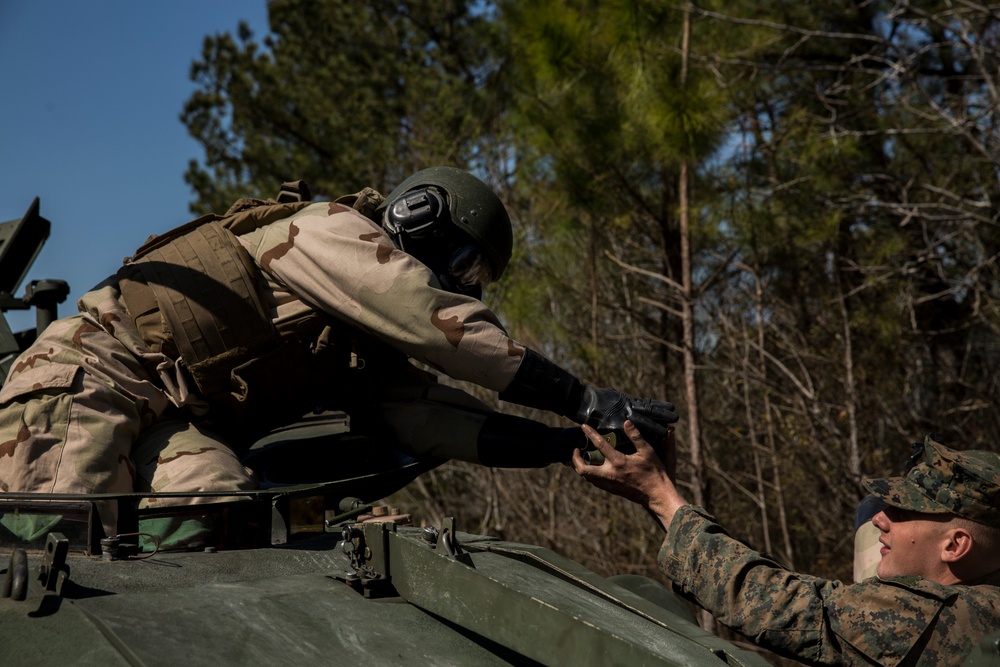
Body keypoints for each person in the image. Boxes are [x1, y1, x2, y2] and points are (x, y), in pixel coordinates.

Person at [0, 166, 676, 540]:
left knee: (221, 506)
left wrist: (565, 443)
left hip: (176, 416)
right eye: (466, 266)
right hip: (90, 374)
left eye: (478, 280)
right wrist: (581, 396)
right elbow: (435, 319)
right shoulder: (330, 233)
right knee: (53, 550)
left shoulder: (358, 344)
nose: (465, 284)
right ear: (420, 217)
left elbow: (434, 418)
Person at [573, 424, 1000, 665]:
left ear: (956, 546)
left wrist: (661, 497)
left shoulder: (942, 619)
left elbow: (781, 603)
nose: (881, 520)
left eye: (903, 513)